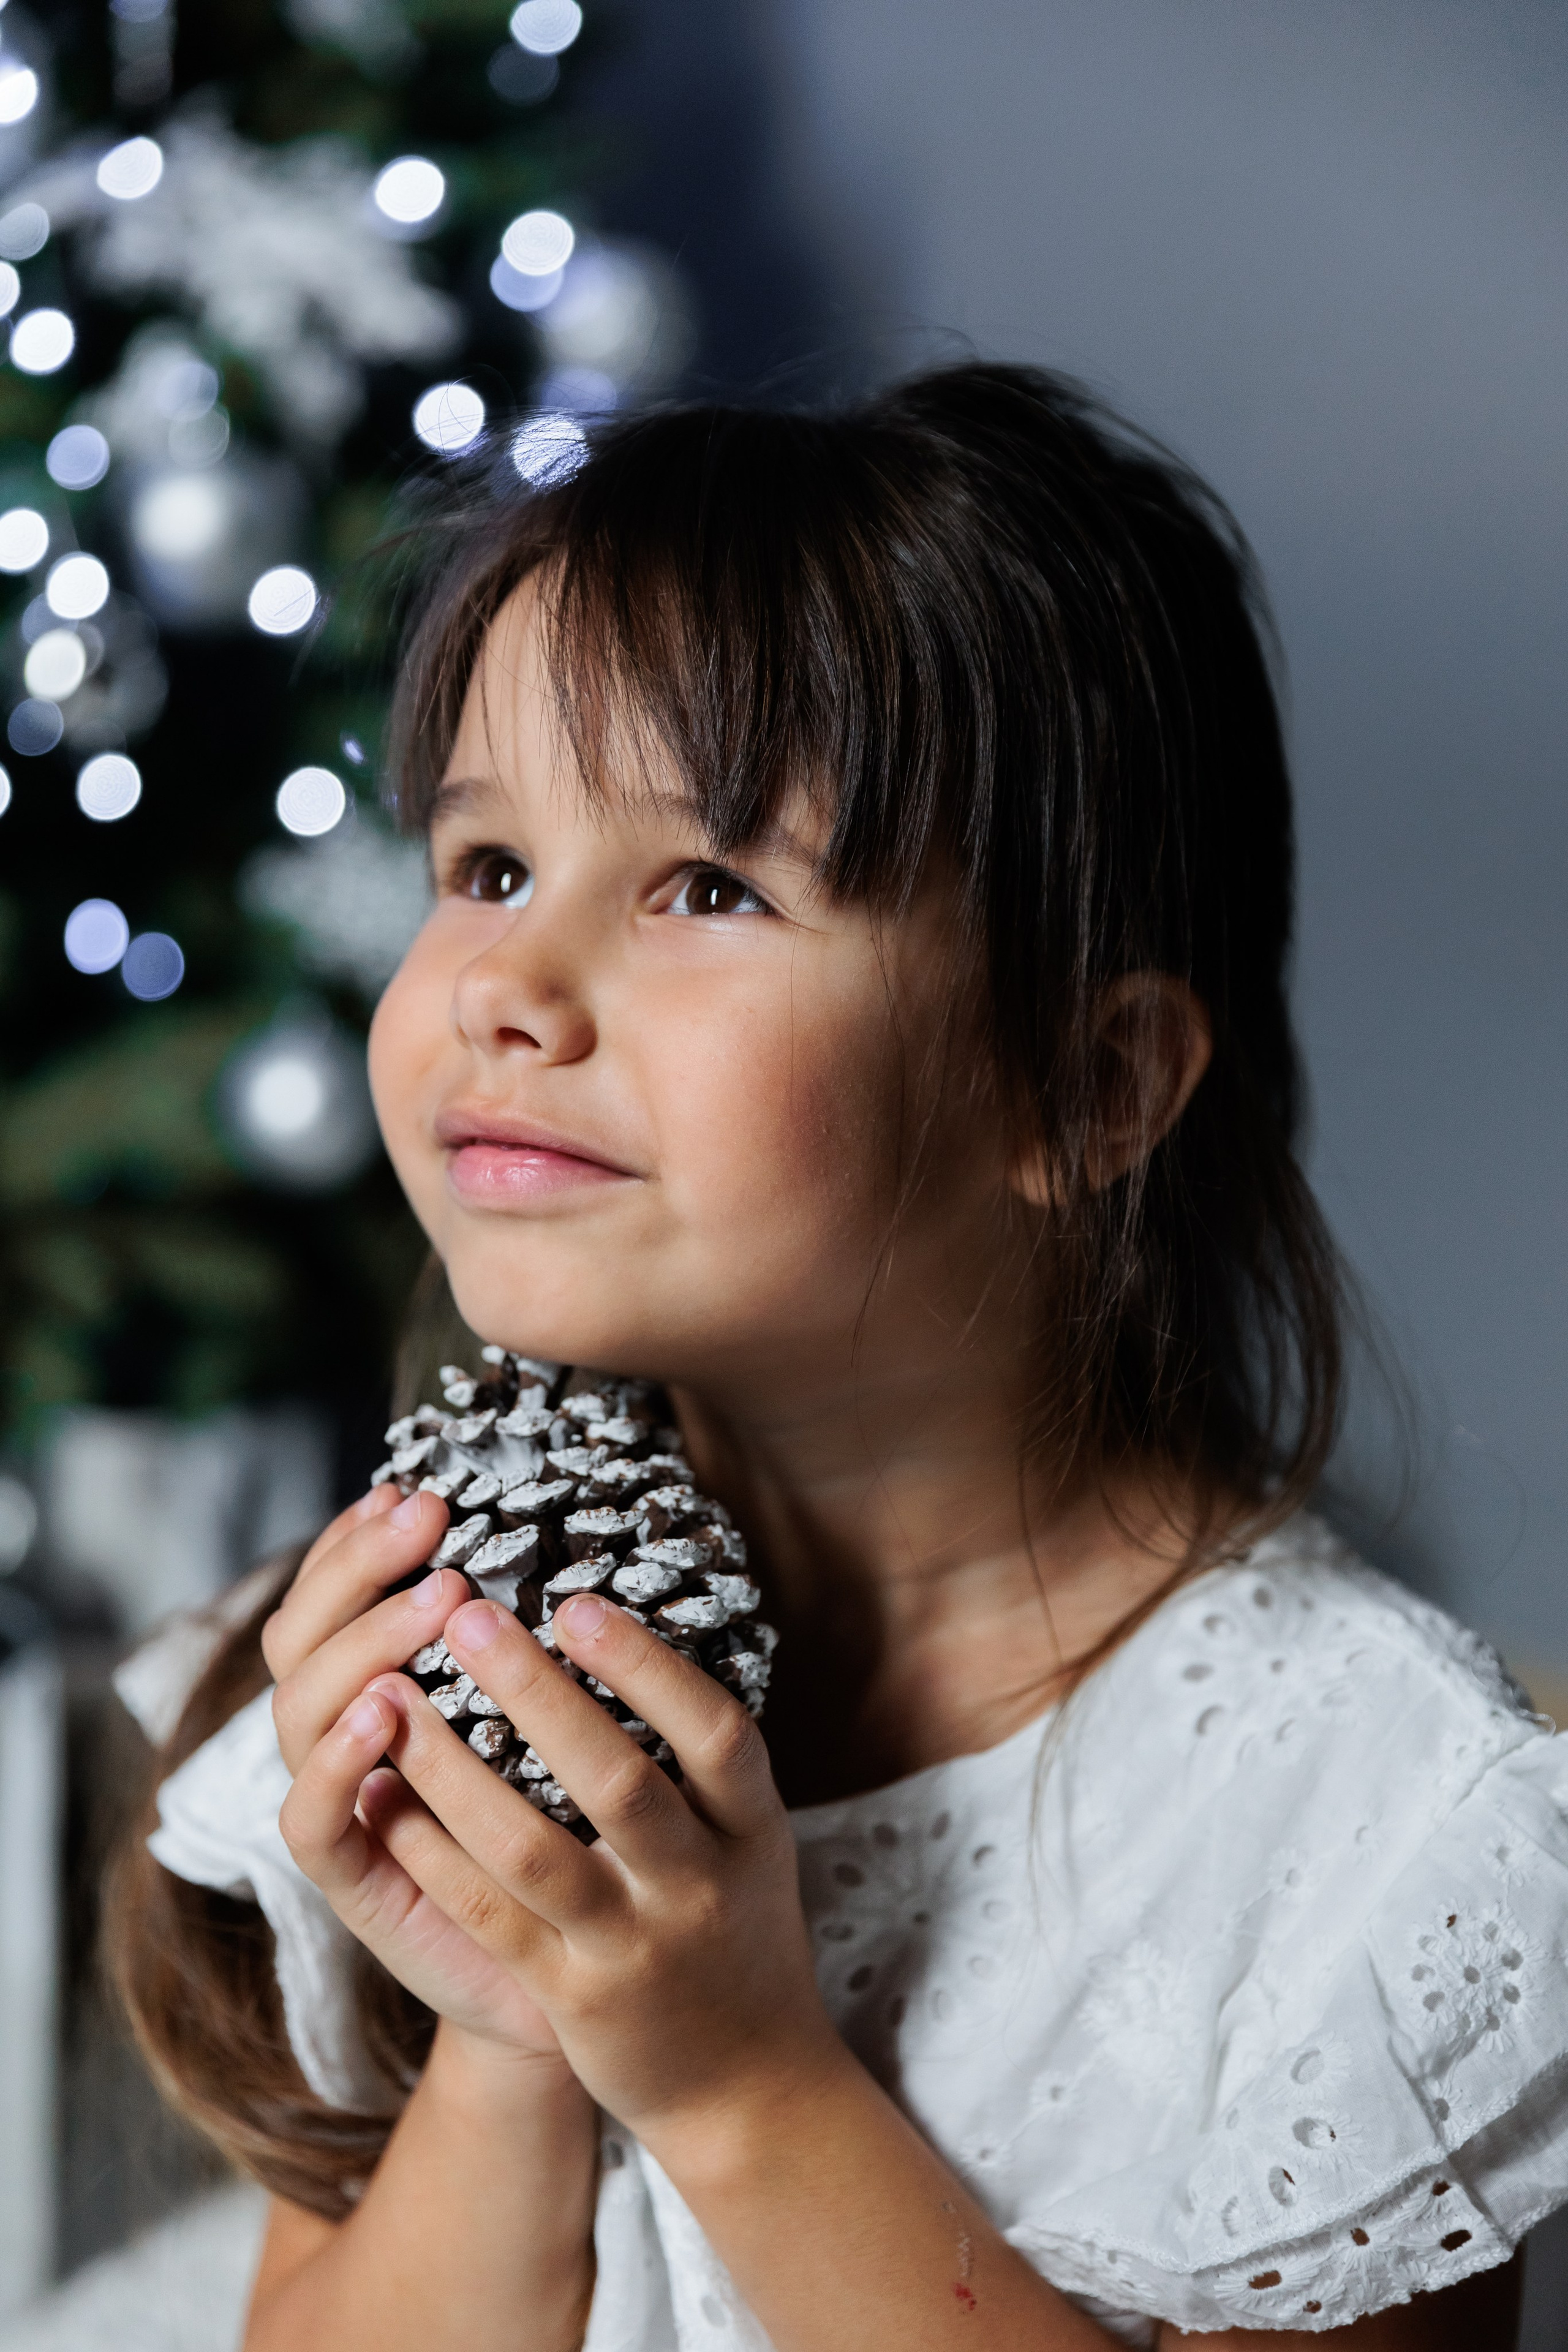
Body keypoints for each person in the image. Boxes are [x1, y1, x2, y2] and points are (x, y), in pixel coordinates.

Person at [111, 365, 1566, 2348]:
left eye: (708, 887)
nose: (510, 991)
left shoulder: (1364, 1841)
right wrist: (521, 2038)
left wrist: (735, 2081)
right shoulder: (455, 1625)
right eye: (485, 869)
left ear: (1085, 1084)